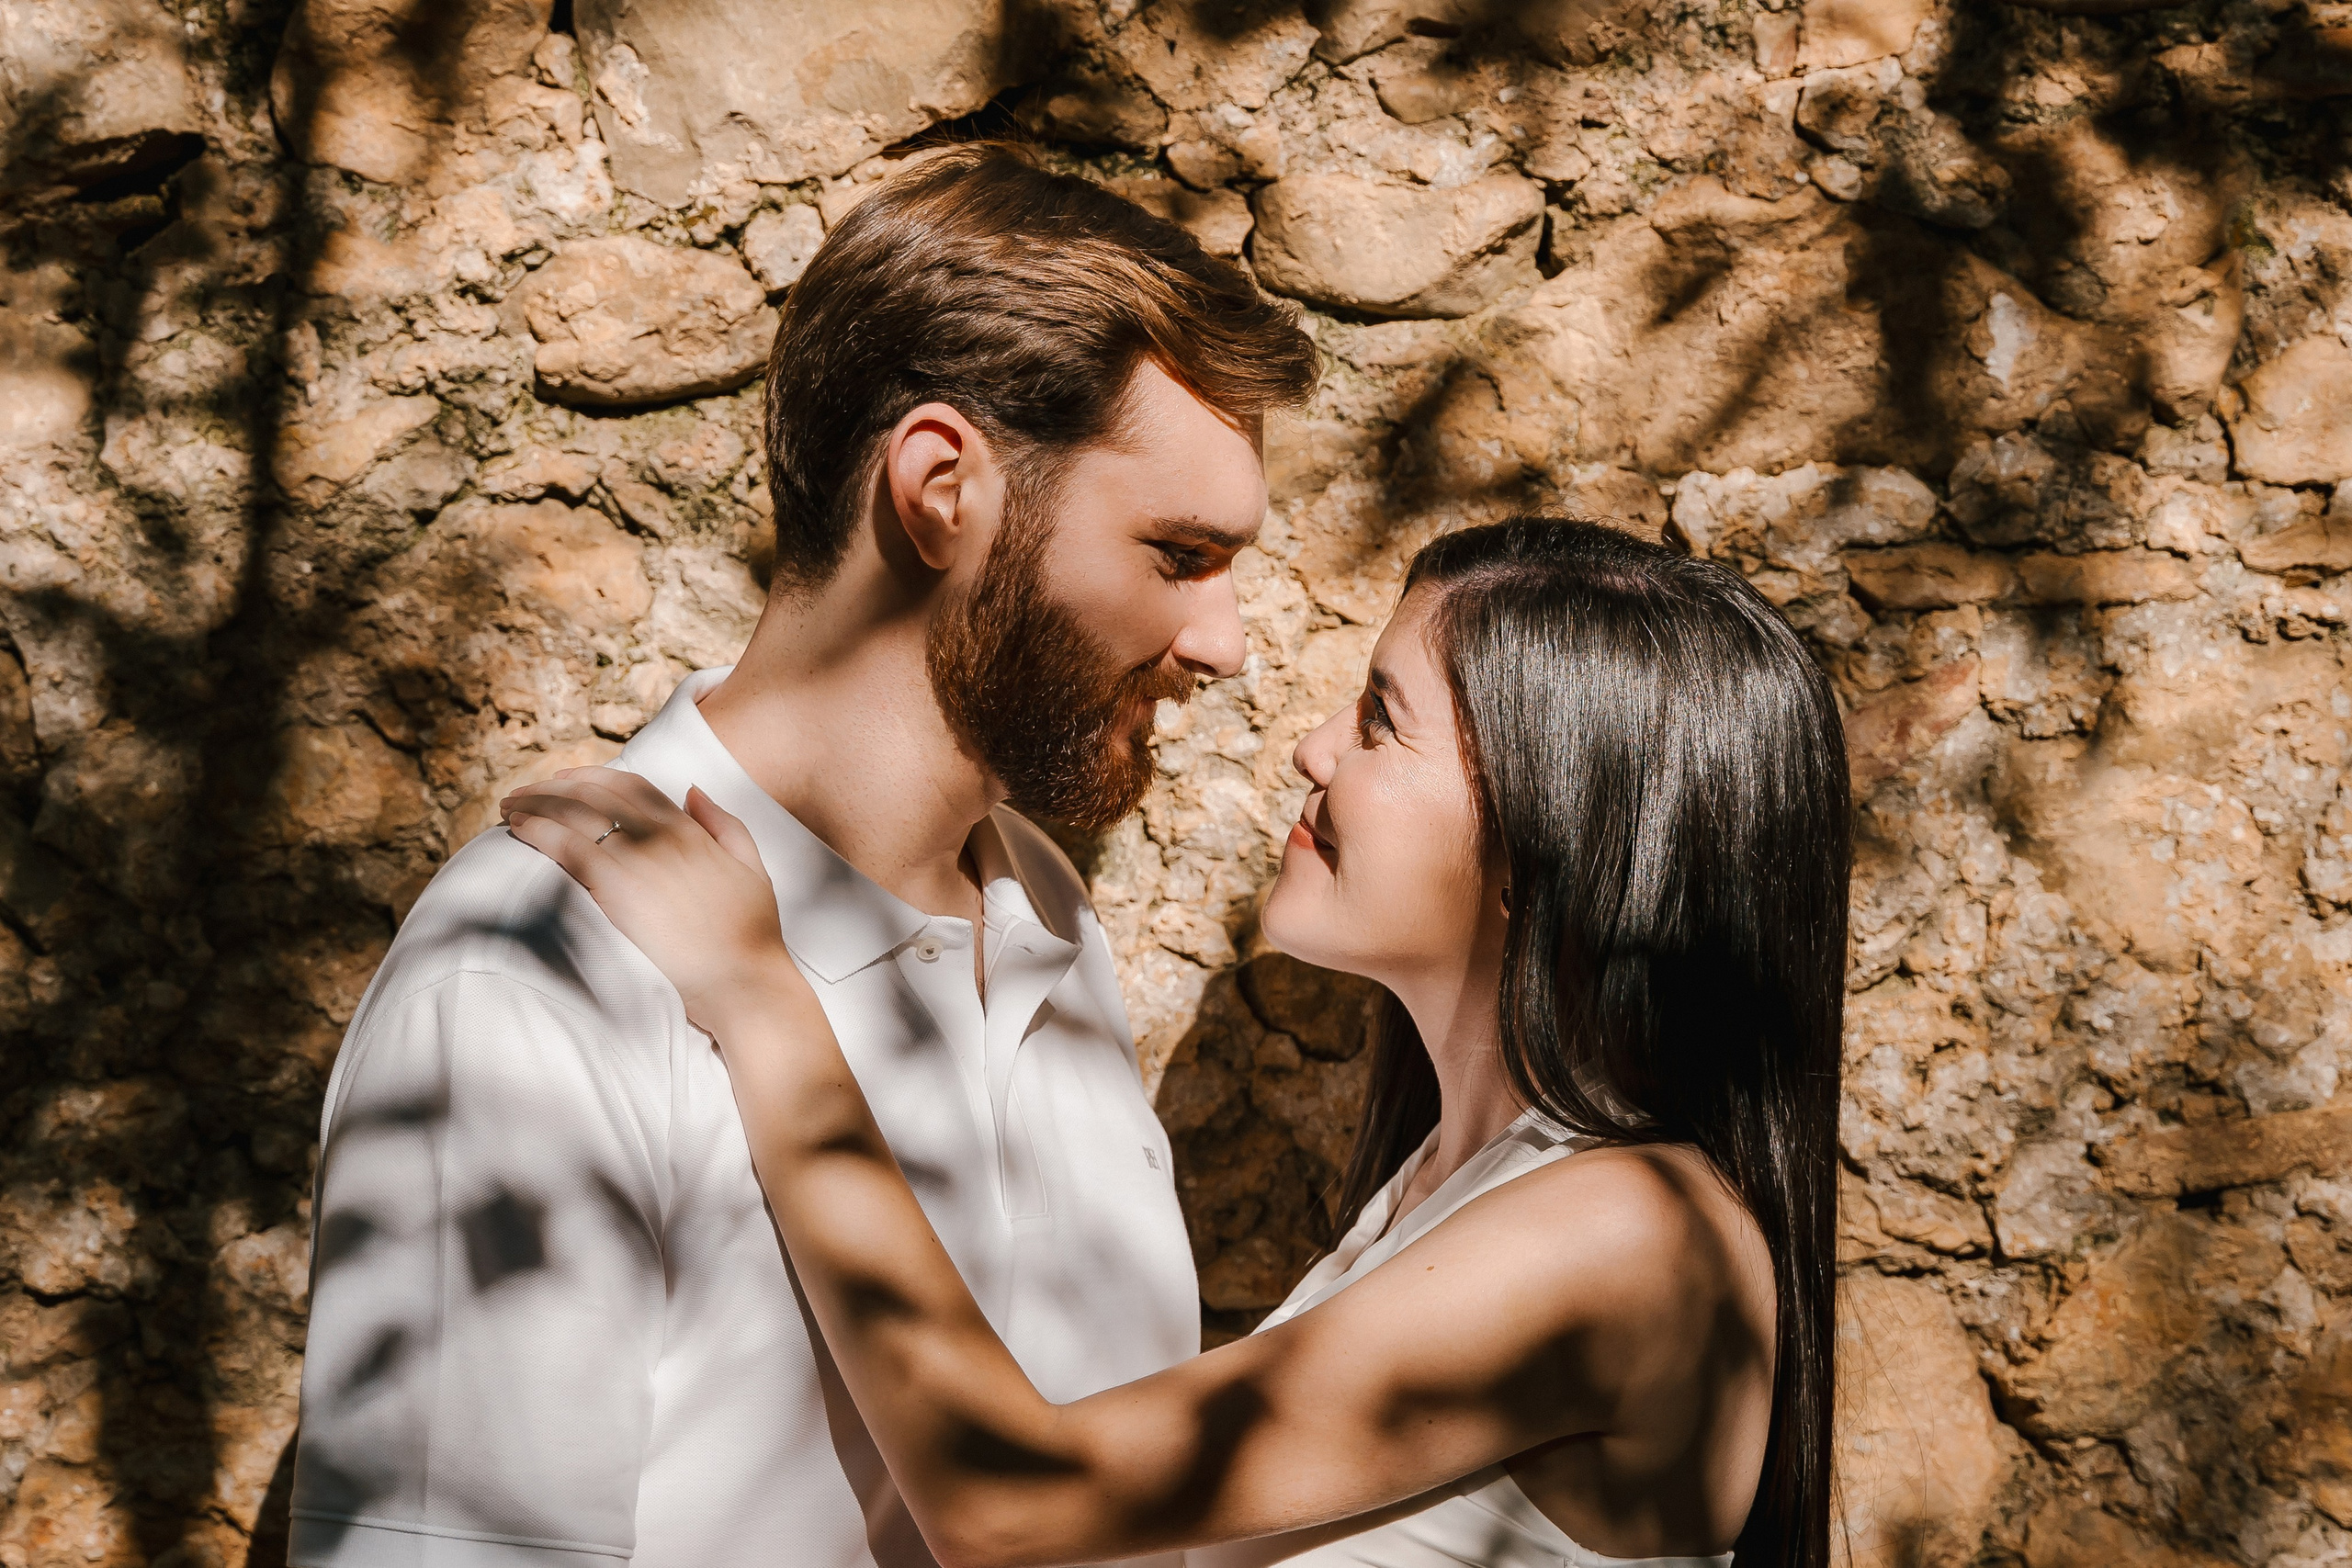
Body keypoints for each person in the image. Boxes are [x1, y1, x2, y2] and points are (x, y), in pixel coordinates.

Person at [288, 142, 1319, 1568]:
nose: (1225, 643)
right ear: (941, 486)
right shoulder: (536, 976)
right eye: (1178, 556)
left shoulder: (1048, 917)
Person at [501, 517, 1853, 1568]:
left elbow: (1008, 1501)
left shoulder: (1626, 1236)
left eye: (1382, 718)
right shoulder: (1454, 1189)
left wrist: (760, 1000)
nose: (1313, 748)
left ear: (1549, 843)